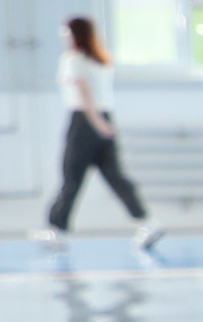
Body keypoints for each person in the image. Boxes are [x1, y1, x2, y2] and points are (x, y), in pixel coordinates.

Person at [34, 16, 162, 253]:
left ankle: (57, 229)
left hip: (85, 121)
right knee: (115, 175)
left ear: (75, 35)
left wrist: (95, 122)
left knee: (72, 177)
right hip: (105, 117)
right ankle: (146, 222)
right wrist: (103, 123)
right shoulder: (101, 59)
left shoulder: (73, 59)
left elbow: (84, 93)